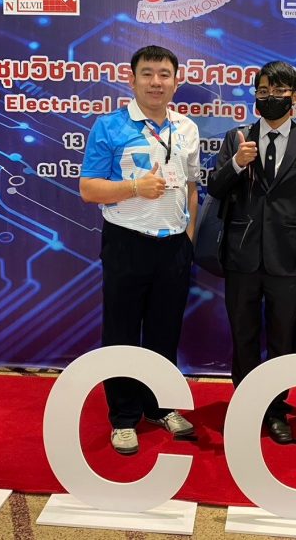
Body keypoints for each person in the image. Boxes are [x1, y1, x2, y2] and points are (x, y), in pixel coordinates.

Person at [79, 45, 200, 455]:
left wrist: (189, 237)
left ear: (176, 82)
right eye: (147, 73)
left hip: (174, 247)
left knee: (166, 331)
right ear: (131, 80)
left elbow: (191, 187)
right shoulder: (110, 126)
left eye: (164, 74)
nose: (156, 82)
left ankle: (159, 407)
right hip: (126, 242)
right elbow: (88, 188)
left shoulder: (186, 128)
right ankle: (124, 417)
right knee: (122, 333)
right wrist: (134, 187)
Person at [208, 61, 296, 444]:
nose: (270, 97)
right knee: (243, 336)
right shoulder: (237, 137)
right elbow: (215, 188)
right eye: (263, 91)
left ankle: (275, 410)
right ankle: (246, 406)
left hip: (287, 257)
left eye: (279, 91)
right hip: (240, 256)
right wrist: (237, 164)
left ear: (295, 97)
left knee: (281, 339)